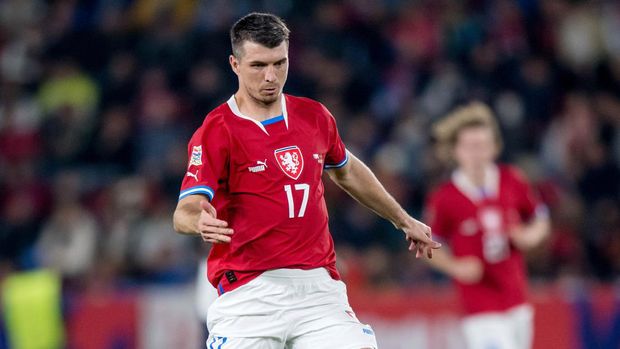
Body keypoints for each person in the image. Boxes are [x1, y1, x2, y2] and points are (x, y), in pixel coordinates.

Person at [172, 12, 441, 349]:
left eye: (279, 63)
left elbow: (346, 169)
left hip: (318, 290)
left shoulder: (313, 116)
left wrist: (403, 220)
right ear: (235, 64)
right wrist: (199, 221)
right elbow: (184, 210)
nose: (271, 76)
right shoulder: (217, 130)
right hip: (249, 293)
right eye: (258, 65)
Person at [423, 102, 550, 349]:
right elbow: (426, 244)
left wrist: (531, 236)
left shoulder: (511, 180)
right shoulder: (445, 197)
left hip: (517, 298)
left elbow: (540, 216)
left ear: (495, 148)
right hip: (479, 306)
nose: (476, 153)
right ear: (455, 151)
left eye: (482, 146)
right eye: (470, 147)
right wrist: (455, 266)